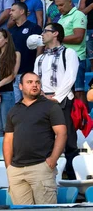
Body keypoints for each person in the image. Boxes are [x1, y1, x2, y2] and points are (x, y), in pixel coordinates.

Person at [3, 72, 67, 205]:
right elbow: (8, 140)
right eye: (30, 82)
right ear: (20, 86)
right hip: (17, 171)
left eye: (37, 82)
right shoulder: (13, 110)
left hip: (41, 167)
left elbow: (61, 134)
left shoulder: (50, 106)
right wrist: (9, 167)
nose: (34, 85)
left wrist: (52, 160)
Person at [33, 22, 79, 180]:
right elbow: (35, 80)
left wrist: (56, 97)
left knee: (68, 139)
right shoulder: (40, 57)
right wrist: (40, 97)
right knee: (45, 139)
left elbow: (70, 77)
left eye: (46, 31)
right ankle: (49, 176)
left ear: (55, 34)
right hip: (43, 100)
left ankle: (73, 176)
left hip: (62, 99)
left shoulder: (69, 53)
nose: (42, 34)